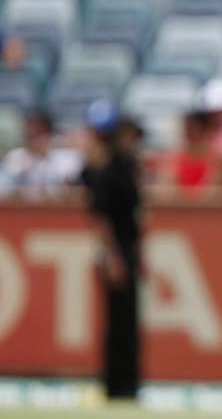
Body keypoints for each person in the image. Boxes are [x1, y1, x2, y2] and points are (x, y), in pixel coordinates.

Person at [80, 100, 145, 401]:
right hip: (116, 252)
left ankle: (128, 387)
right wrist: (113, 256)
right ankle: (115, 386)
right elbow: (102, 219)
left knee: (129, 321)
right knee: (118, 321)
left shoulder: (126, 168)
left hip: (128, 249)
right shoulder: (107, 171)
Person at [0, 109, 82, 199]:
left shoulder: (67, 158)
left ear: (49, 134)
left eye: (38, 133)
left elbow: (70, 189)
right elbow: (4, 189)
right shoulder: (15, 157)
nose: (34, 139)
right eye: (30, 135)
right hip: (22, 209)